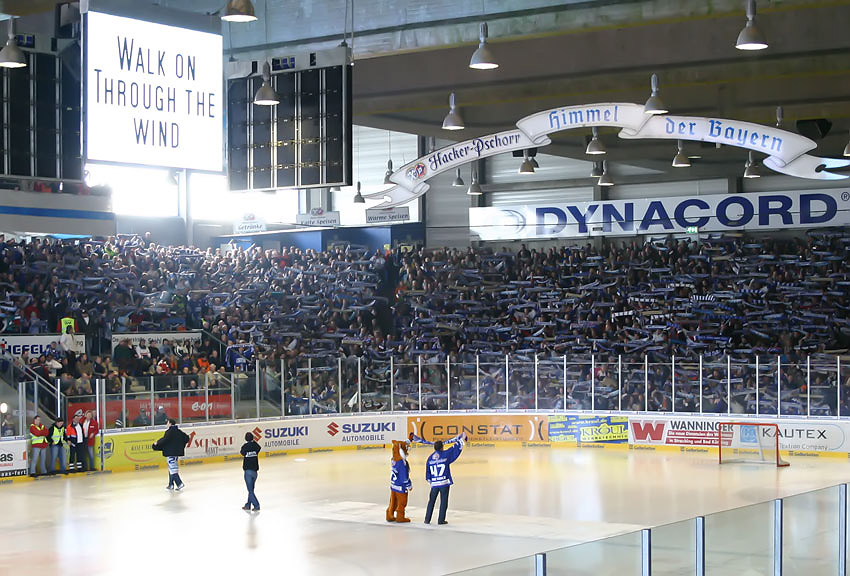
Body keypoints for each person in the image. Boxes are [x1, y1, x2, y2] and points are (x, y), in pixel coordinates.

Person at [424, 432, 467, 525]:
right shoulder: (445, 455)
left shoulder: (430, 458)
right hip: (444, 483)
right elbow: (454, 449)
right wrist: (462, 439)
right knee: (443, 502)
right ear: (442, 448)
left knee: (431, 501)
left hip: (434, 484)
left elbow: (427, 474)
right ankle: (441, 520)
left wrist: (432, 481)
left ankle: (427, 519)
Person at [152, 419, 190, 491]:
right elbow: (186, 438)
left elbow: (164, 440)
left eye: (167, 422)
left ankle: (179, 483)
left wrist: (157, 443)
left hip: (170, 453)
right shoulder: (179, 431)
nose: (166, 424)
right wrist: (180, 446)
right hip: (176, 453)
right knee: (172, 468)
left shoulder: (169, 432)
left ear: (170, 423)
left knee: (172, 469)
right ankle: (171, 485)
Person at [386, 438, 412, 523]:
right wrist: (409, 485)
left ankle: (389, 514)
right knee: (402, 502)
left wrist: (409, 440)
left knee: (393, 501)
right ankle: (400, 517)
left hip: (393, 485)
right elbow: (404, 477)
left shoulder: (393, 459)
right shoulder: (403, 463)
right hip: (401, 486)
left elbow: (399, 445)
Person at [240, 432, 261, 511]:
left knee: (250, 491)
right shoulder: (256, 446)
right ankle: (248, 505)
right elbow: (259, 447)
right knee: (251, 490)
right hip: (255, 472)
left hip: (248, 472)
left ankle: (256, 505)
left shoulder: (245, 447)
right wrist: (253, 441)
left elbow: (242, 453)